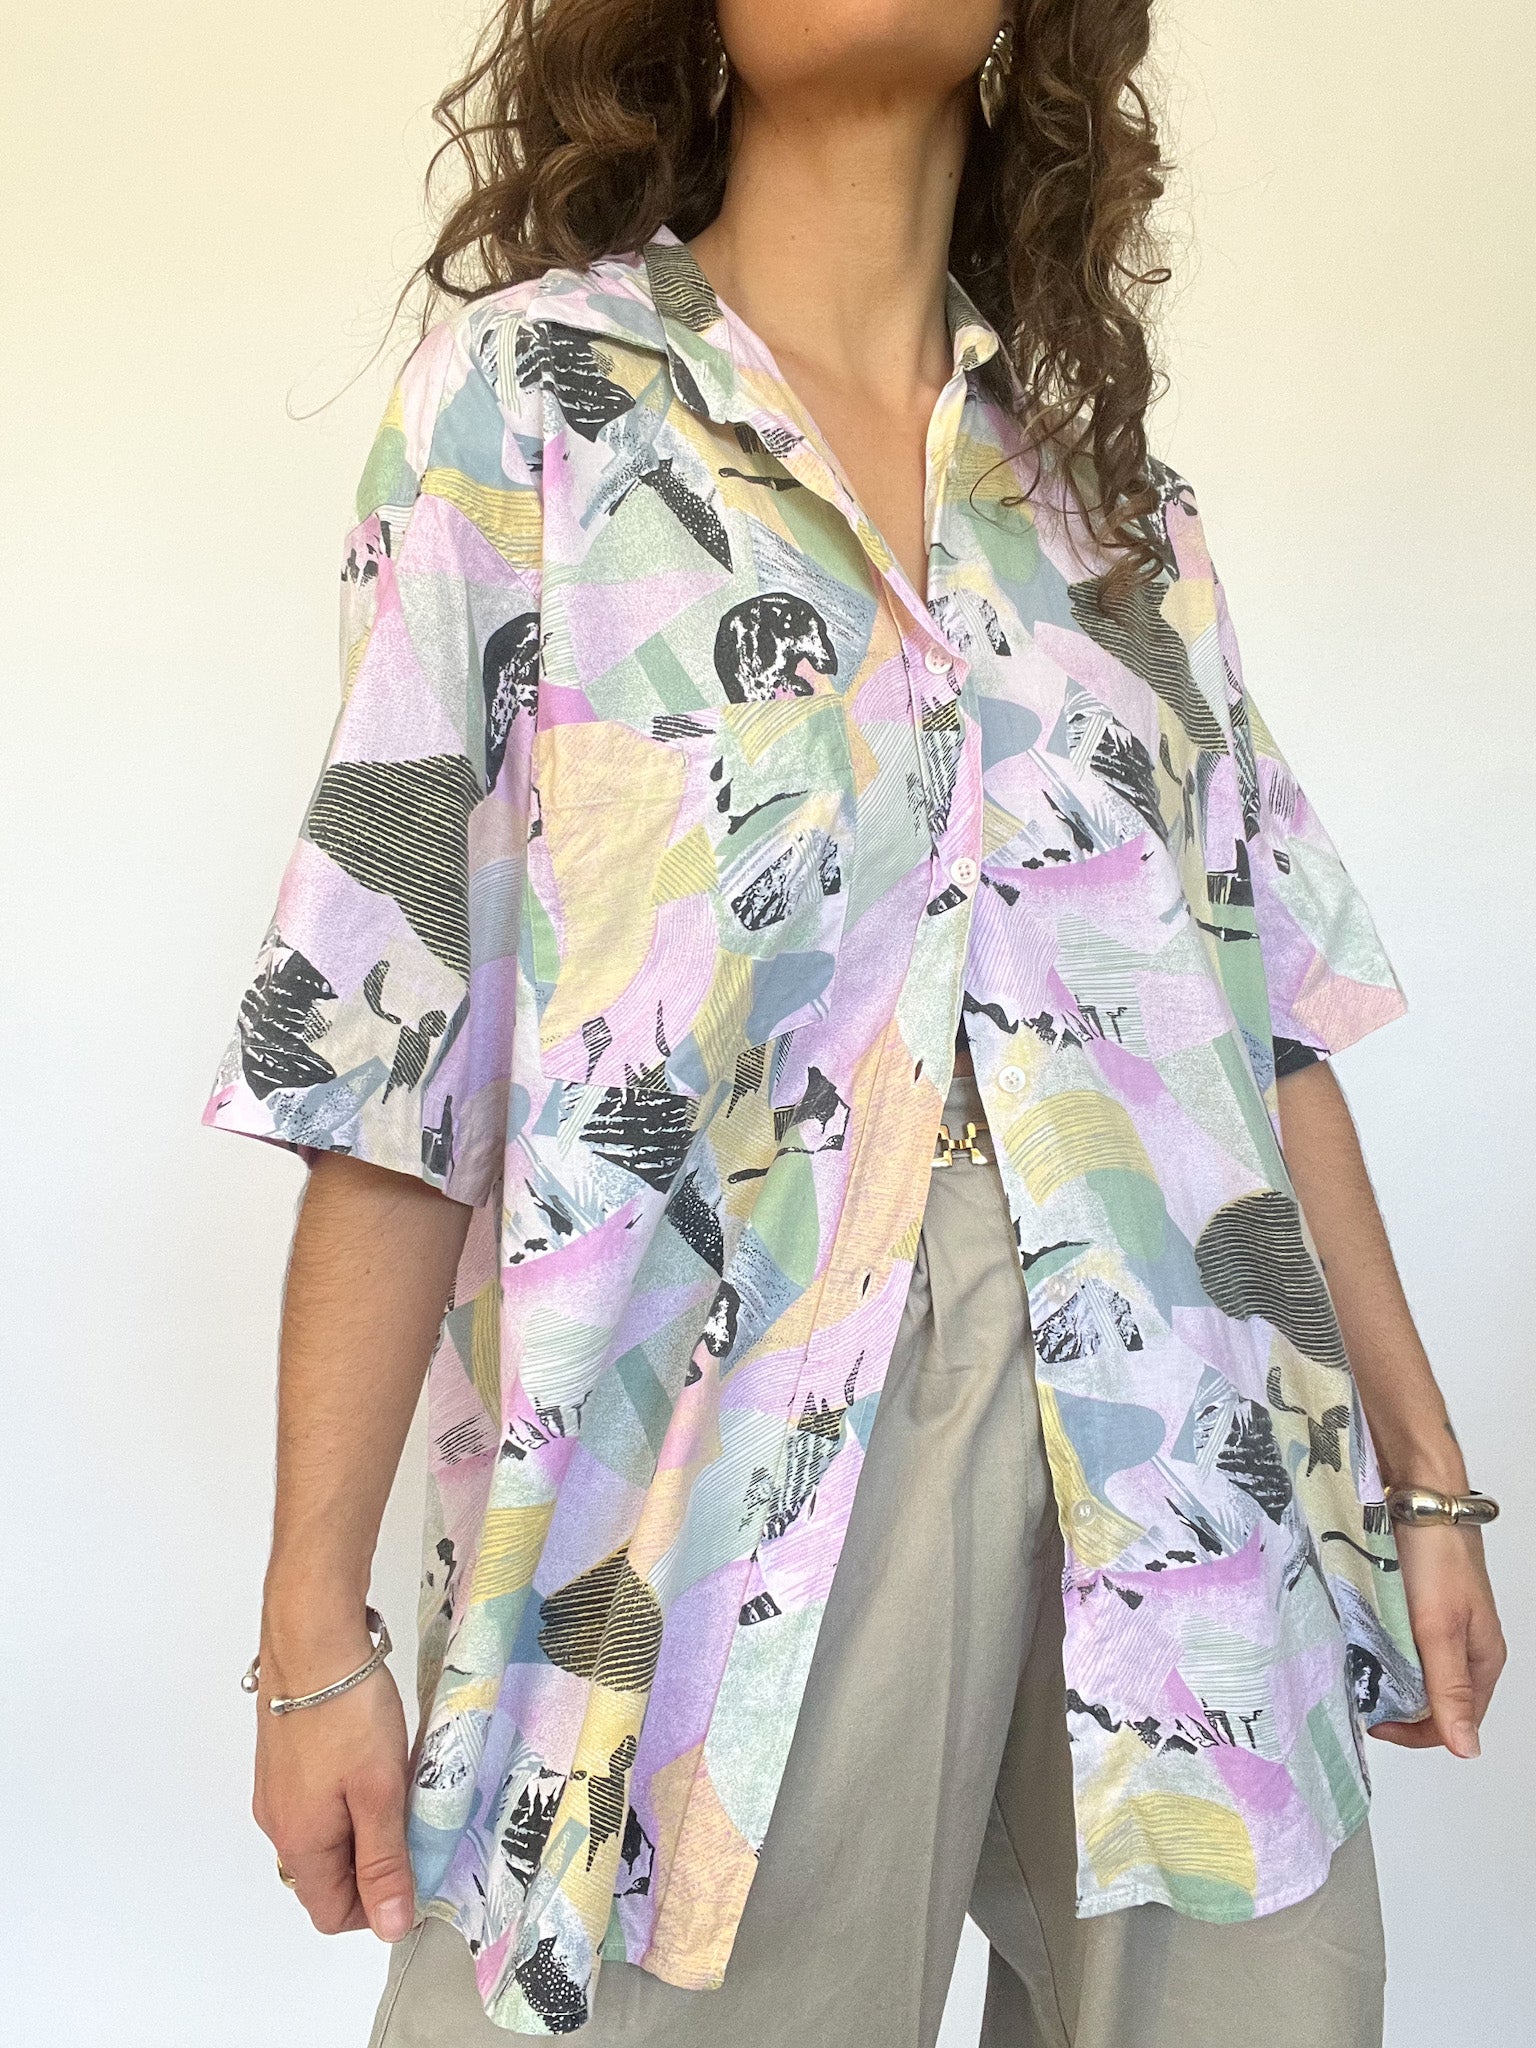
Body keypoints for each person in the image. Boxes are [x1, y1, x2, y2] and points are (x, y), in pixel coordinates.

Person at [206, 3, 1506, 2044]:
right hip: (721, 1439)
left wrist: (1422, 1479)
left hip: (1188, 1448)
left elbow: (1262, 1020)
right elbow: (393, 1046)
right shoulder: (535, 405)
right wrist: (312, 1634)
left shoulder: (1115, 516)